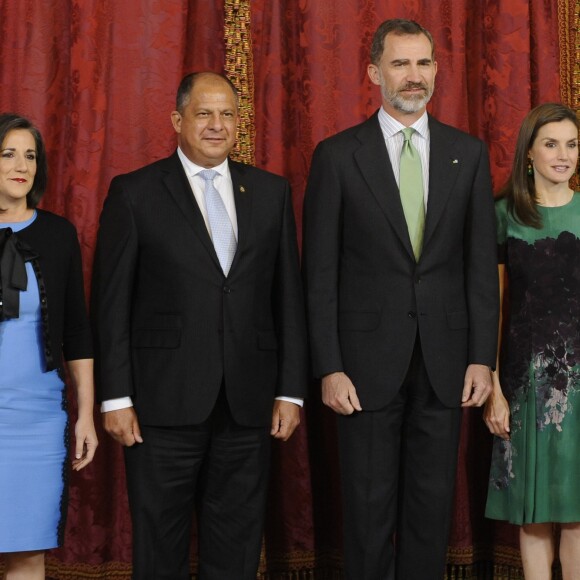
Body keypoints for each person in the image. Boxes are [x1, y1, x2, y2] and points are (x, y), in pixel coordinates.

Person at [91, 71, 308, 580]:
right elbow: (111, 303)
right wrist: (115, 397)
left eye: (228, 114)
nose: (217, 125)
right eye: (204, 114)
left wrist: (291, 392)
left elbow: (288, 300)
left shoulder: (271, 193)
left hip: (248, 405)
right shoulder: (135, 193)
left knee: (235, 547)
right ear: (177, 121)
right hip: (160, 406)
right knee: (159, 547)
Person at [302, 19, 499, 579]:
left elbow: (480, 267)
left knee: (431, 505)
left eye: (423, 63)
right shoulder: (337, 157)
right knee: (366, 507)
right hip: (362, 367)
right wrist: (330, 366)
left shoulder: (469, 153)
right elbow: (318, 274)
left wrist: (482, 356)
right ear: (373, 72)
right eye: (400, 64)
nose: (414, 77)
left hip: (447, 361)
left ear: (436, 69)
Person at [484, 103, 580, 579]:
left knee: (578, 513)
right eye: (551, 143)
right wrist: (495, 388)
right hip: (524, 387)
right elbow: (494, 309)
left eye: (572, 144)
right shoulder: (503, 215)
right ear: (529, 153)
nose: (563, 155)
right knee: (534, 513)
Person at [0, 113, 97, 579]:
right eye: (8, 153)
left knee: (26, 553)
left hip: (36, 421)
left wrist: (85, 415)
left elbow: (77, 331)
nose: (22, 165)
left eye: (31, 155)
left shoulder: (58, 235)